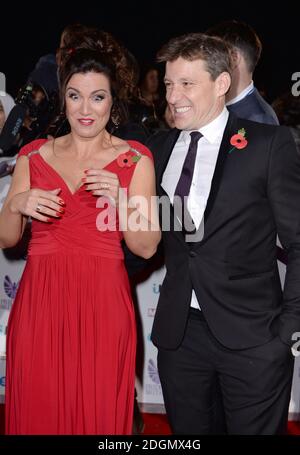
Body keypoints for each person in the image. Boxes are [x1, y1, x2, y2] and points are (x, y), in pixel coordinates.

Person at [0, 38, 160, 435]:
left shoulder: (135, 158)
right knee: (40, 410)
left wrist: (121, 200)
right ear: (63, 98)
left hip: (103, 305)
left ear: (113, 101)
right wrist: (16, 204)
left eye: (97, 97)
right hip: (40, 304)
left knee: (99, 412)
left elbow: (146, 246)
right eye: (75, 96)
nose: (86, 109)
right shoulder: (32, 156)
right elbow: (6, 240)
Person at [148, 32, 300, 435]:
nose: (173, 95)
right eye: (168, 83)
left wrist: (286, 332)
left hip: (255, 338)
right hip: (180, 339)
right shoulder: (158, 150)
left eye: (186, 83)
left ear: (221, 84)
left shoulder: (268, 145)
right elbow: (171, 235)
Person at [206, 20, 279, 125]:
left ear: (234, 58)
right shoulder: (218, 107)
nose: (205, 64)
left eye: (211, 56)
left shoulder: (258, 120)